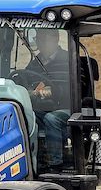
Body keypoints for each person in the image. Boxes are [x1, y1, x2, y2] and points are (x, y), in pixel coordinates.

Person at [24, 29, 71, 168]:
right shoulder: (34, 63)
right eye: (39, 39)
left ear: (56, 38)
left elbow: (78, 87)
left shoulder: (70, 59)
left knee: (52, 118)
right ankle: (31, 161)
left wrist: (54, 92)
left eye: (45, 38)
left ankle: (55, 164)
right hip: (42, 108)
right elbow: (24, 81)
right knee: (22, 115)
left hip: (69, 108)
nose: (41, 42)